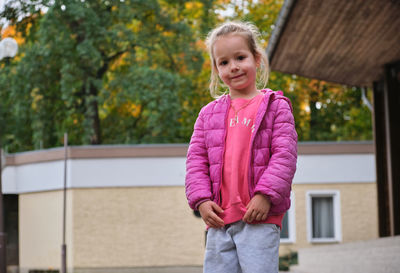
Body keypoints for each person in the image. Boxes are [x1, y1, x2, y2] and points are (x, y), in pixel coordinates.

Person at [185, 21, 297, 273]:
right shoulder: (207, 115)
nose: (233, 67)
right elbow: (195, 162)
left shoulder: (276, 106)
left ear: (256, 59)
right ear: (216, 69)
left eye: (240, 57)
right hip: (219, 221)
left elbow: (284, 156)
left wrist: (265, 195)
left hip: (259, 217)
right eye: (223, 62)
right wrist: (201, 200)